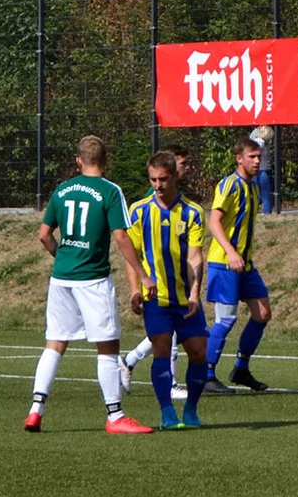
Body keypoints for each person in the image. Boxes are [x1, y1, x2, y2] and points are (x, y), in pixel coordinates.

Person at [25, 135, 152, 434]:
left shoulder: (62, 189)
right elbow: (121, 236)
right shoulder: (110, 191)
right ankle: (115, 415)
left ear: (78, 161)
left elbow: (44, 235)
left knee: (55, 343)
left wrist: (62, 256)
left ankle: (35, 410)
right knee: (108, 346)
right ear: (106, 161)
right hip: (92, 278)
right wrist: (143, 275)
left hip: (61, 278)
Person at [125, 151, 211, 430]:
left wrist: (196, 293)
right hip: (156, 298)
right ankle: (166, 412)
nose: (157, 185)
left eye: (163, 179)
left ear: (174, 176)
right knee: (161, 349)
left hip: (185, 299)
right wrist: (134, 290)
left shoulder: (192, 212)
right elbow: (133, 256)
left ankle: (191, 410)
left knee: (199, 353)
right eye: (153, 179)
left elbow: (195, 256)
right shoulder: (138, 211)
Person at [120, 143, 196, 391]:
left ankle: (129, 361)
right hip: (155, 285)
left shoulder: (188, 209)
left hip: (179, 285)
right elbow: (133, 250)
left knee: (167, 335)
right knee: (167, 335)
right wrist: (137, 286)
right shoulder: (145, 207)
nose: (186, 168)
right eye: (182, 163)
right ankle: (170, 385)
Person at [203, 136, 273, 393]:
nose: (257, 161)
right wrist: (231, 252)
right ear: (239, 159)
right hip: (224, 263)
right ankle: (206, 375)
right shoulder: (229, 185)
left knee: (263, 313)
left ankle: (241, 369)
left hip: (244, 264)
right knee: (226, 319)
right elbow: (214, 221)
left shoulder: (253, 188)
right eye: (252, 156)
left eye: (259, 156)